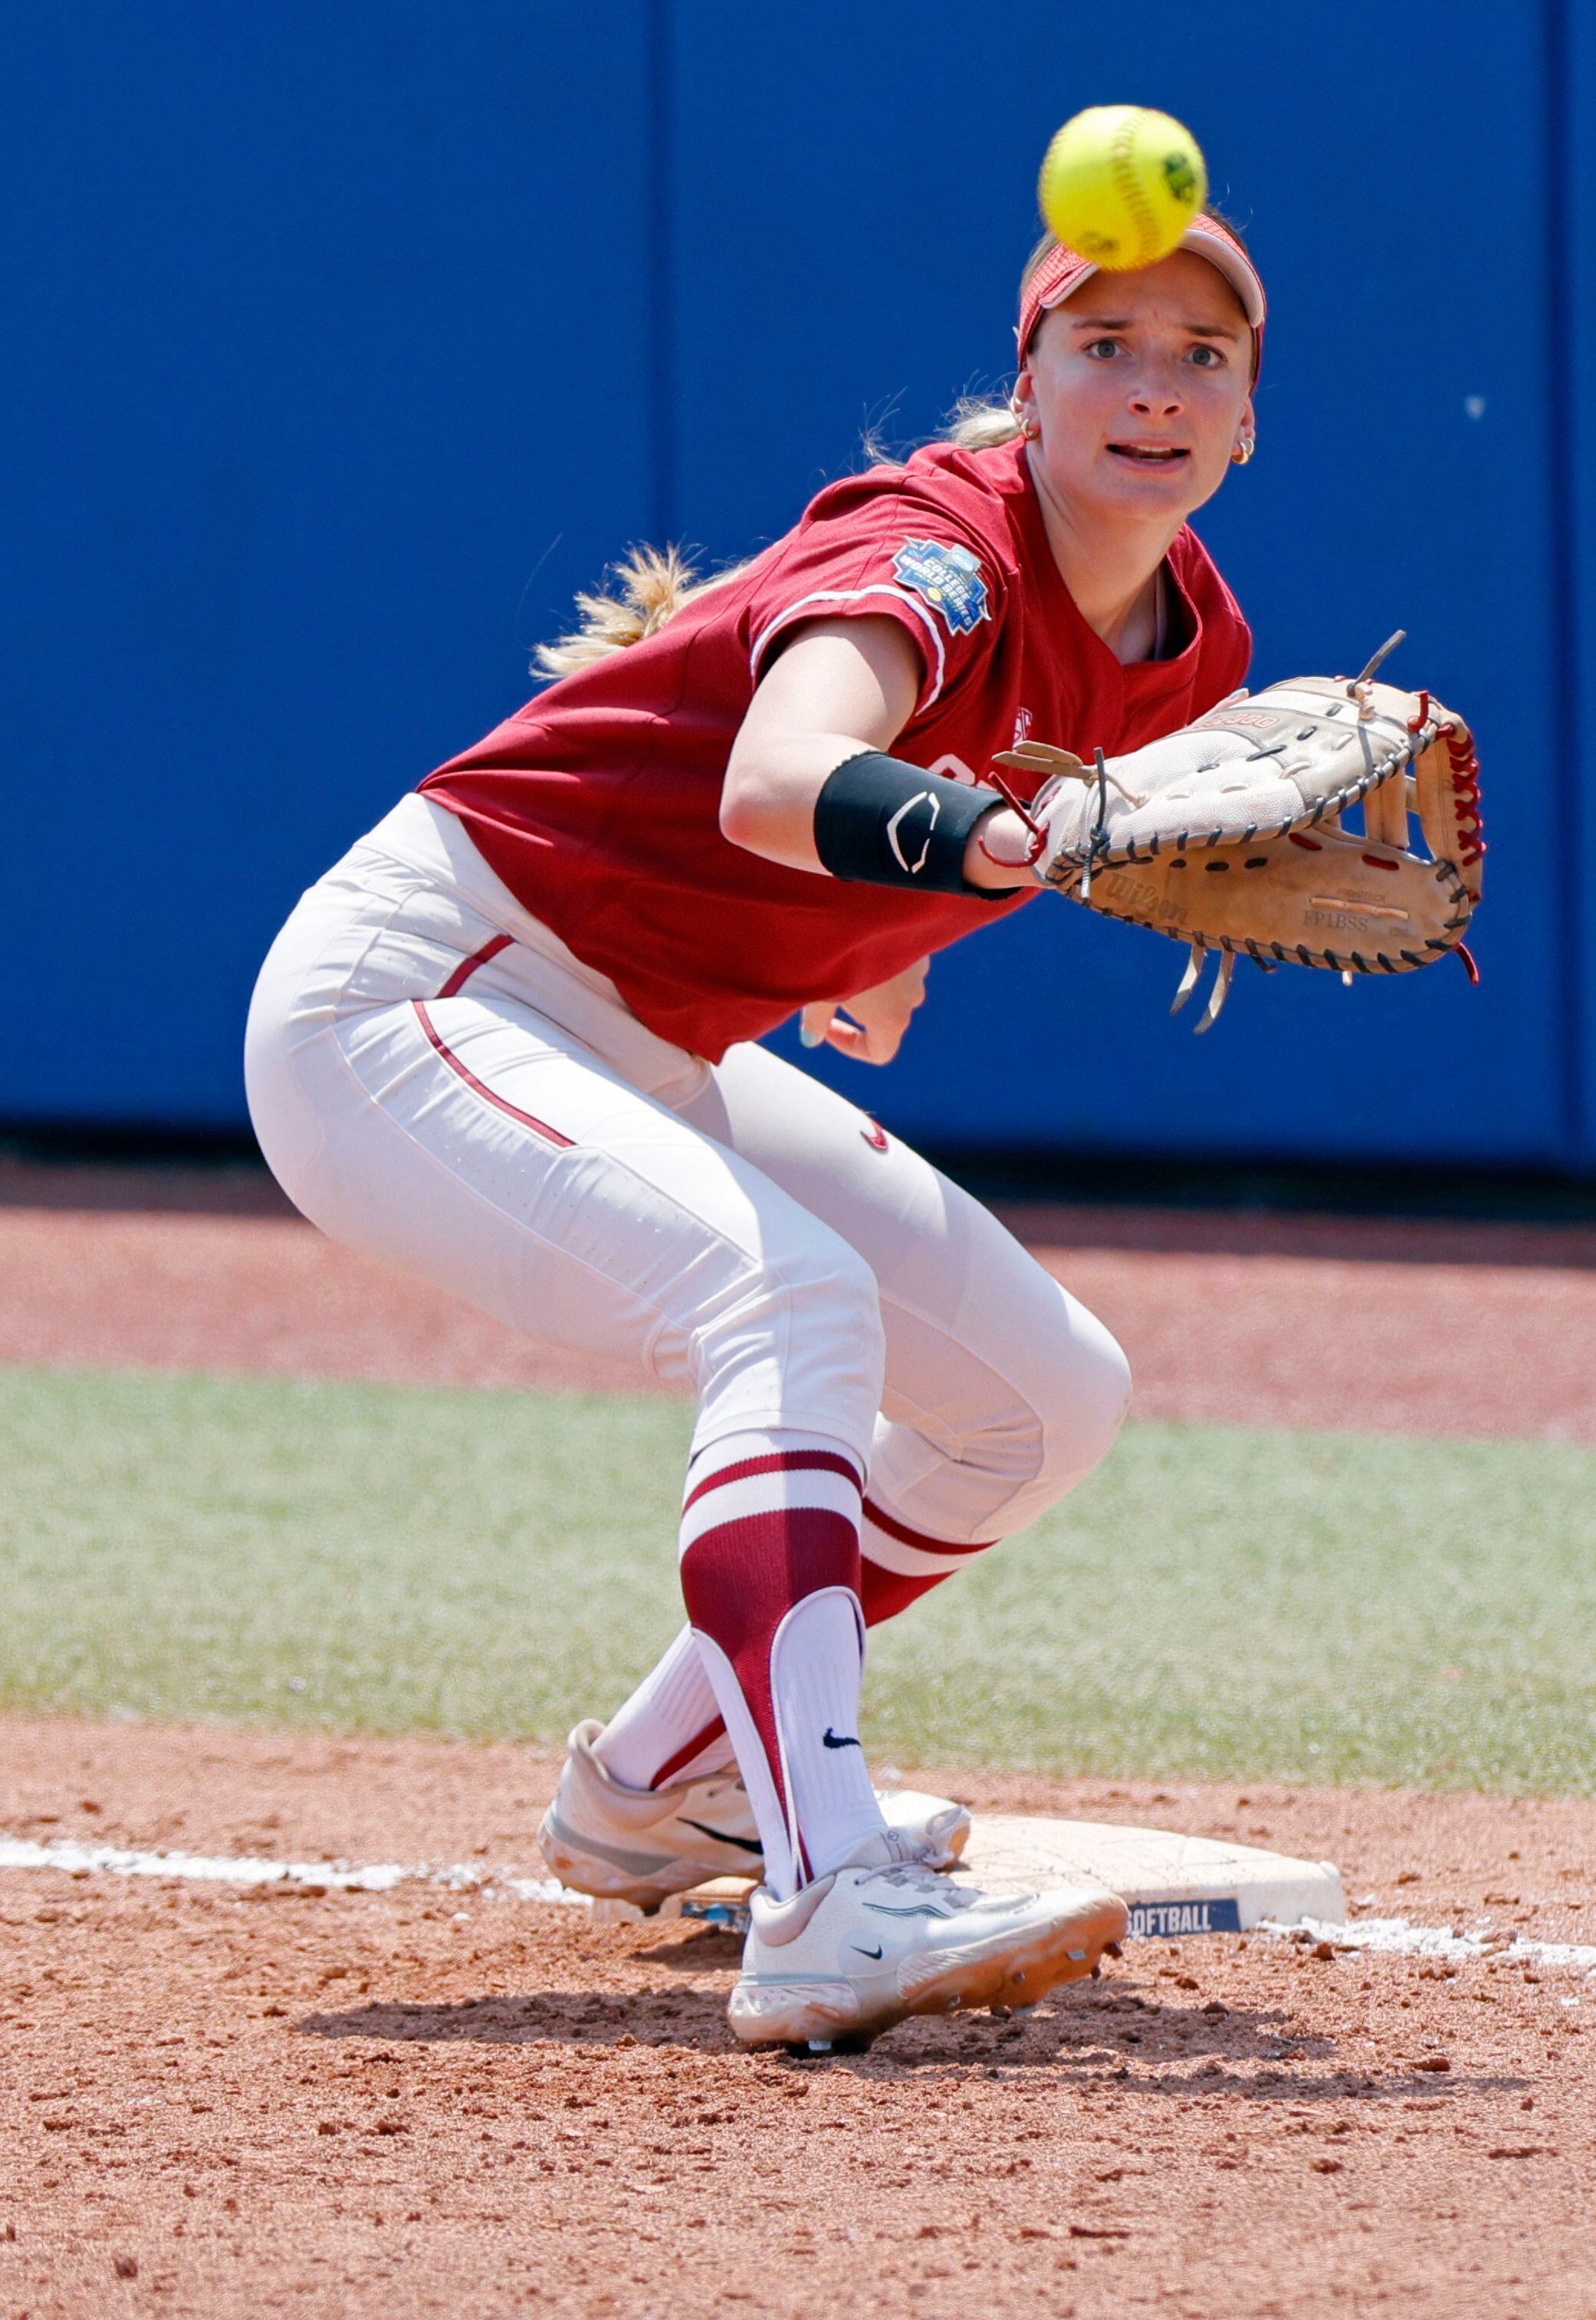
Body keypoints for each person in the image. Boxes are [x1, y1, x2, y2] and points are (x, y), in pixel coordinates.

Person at [245, 208, 1266, 2050]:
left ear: (1249, 421)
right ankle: (827, 1895)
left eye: (1203, 355)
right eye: (1105, 342)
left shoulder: (1185, 657)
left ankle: (660, 1782)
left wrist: (885, 959)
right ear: (1024, 386)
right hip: (423, 992)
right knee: (790, 1299)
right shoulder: (939, 553)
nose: (1154, 387)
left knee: (1046, 1391)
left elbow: (877, 855)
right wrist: (969, 847)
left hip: (640, 1028)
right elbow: (779, 779)